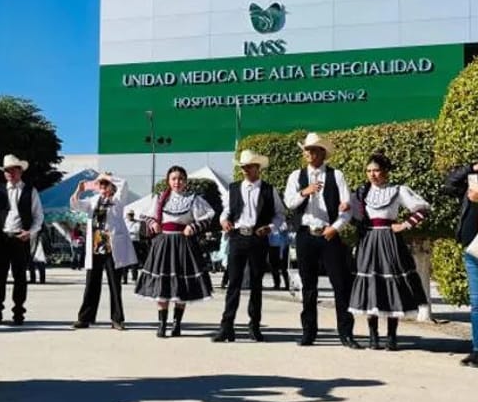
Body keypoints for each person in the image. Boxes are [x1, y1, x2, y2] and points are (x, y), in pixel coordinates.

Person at [284, 132, 361, 349]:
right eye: (306, 150)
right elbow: (289, 203)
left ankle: (346, 333)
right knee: (308, 286)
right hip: (306, 234)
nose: (308, 154)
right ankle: (309, 332)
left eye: (313, 150)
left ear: (322, 153)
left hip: (329, 234)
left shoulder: (336, 176)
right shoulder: (295, 176)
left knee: (340, 284)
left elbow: (347, 207)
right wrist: (304, 192)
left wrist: (335, 228)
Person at [347, 151, 430, 351]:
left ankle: (391, 336)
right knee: (371, 283)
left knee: (392, 283)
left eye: (376, 170)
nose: (372, 174)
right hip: (368, 240)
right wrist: (346, 209)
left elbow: (423, 208)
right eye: (369, 171)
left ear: (385, 171)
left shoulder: (398, 190)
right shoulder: (361, 192)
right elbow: (353, 215)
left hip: (389, 240)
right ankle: (373, 336)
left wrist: (403, 225)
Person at [214, 150, 285, 342]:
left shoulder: (269, 190)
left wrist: (270, 228)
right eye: (243, 167)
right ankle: (227, 326)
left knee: (256, 283)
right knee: (233, 283)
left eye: (249, 166)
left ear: (258, 168)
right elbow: (226, 211)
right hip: (238, 236)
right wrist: (223, 221)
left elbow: (280, 214)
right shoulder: (234, 188)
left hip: (258, 237)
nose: (245, 170)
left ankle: (254, 326)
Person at [135, 166, 215, 338]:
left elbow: (209, 216)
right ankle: (162, 324)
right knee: (162, 284)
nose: (177, 182)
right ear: (168, 181)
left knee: (181, 284)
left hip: (183, 244)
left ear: (185, 181)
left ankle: (177, 323)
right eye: (174, 178)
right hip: (163, 243)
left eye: (180, 178)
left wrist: (193, 227)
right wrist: (153, 223)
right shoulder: (160, 198)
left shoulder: (193, 199)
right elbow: (144, 215)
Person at [70, 174, 136, 330]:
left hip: (112, 248)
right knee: (91, 283)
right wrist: (78, 191)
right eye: (101, 184)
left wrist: (106, 175)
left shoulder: (118, 199)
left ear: (112, 187)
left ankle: (117, 319)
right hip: (95, 247)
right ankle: (85, 318)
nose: (103, 187)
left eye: (106, 184)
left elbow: (124, 182)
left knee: (115, 284)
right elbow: (75, 205)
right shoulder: (93, 201)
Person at [0, 154, 44, 325]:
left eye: (13, 170)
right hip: (2, 238)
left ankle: (18, 312)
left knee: (20, 277)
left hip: (20, 238)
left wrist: (30, 232)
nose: (10, 173)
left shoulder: (30, 191)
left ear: (20, 171)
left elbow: (38, 216)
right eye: (7, 170)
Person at [442, 159, 478, 367]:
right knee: (476, 304)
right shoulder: (471, 181)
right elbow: (448, 185)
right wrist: (470, 168)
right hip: (472, 249)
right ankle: (476, 350)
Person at [122, 209, 141, 284]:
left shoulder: (137, 222)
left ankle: (134, 277)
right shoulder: (124, 222)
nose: (130, 216)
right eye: (129, 215)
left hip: (134, 242)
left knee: (134, 261)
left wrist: (128, 232)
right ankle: (124, 278)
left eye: (131, 215)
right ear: (127, 215)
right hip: (125, 242)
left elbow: (136, 231)